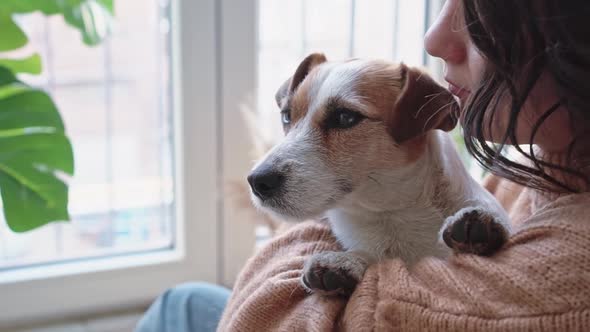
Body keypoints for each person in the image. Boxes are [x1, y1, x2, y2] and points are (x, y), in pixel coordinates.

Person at [137, 0, 590, 330]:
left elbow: (259, 320)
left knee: (179, 309)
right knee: (181, 300)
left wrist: (326, 214)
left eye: (482, 13)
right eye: (290, 117)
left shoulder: (567, 278)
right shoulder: (541, 162)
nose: (433, 37)